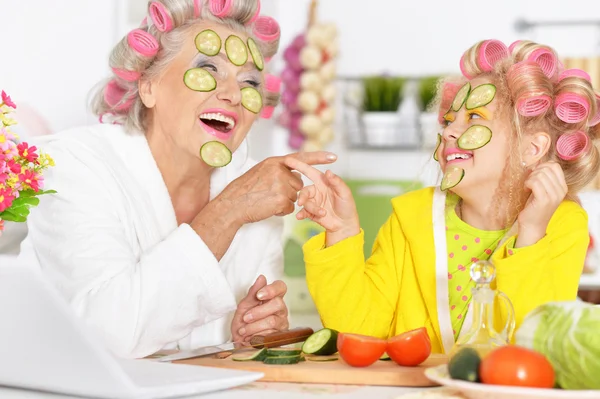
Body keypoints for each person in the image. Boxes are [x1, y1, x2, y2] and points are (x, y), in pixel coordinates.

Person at [17, 0, 337, 359]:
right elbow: (106, 335)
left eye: (249, 81)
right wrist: (231, 209)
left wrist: (251, 333)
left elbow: (235, 341)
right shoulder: (74, 165)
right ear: (149, 86)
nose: (232, 94)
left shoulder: (256, 190)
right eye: (208, 68)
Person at [287, 39, 599, 354]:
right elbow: (358, 330)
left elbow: (538, 347)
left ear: (532, 149)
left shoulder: (561, 225)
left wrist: (531, 235)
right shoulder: (412, 217)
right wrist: (340, 233)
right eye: (449, 121)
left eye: (474, 118)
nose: (448, 132)